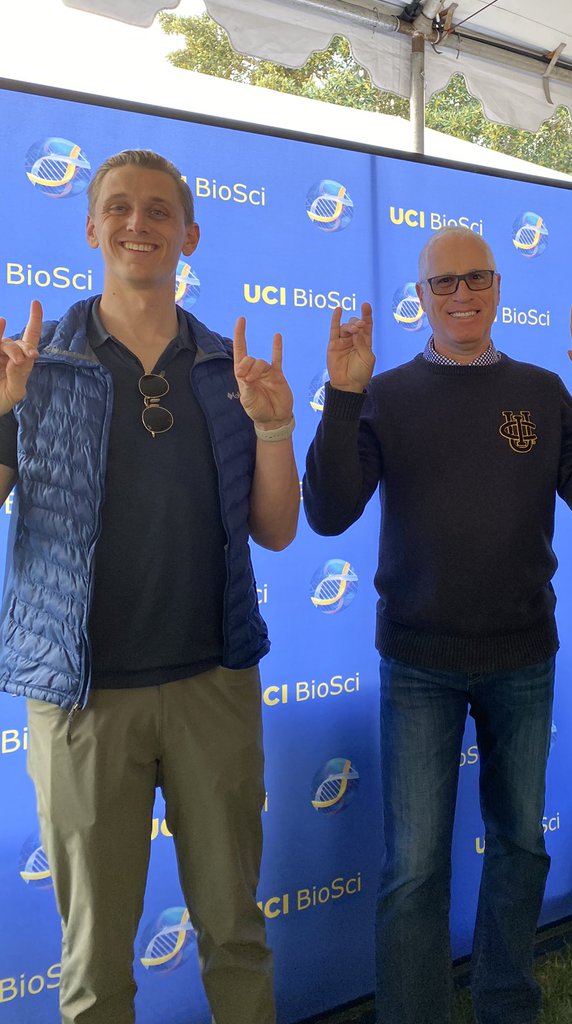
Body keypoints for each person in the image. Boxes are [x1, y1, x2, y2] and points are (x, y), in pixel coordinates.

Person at [0, 150, 300, 1024]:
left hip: (215, 686)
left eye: (160, 210)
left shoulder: (225, 367)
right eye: (120, 208)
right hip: (83, 703)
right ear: (90, 228)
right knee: (95, 961)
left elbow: (277, 531)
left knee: (236, 933)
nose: (140, 224)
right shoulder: (37, 364)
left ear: (190, 236)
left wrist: (275, 428)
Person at [302, 228, 572, 1024]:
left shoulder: (545, 389)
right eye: (443, 283)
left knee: (520, 845)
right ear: (421, 299)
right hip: (417, 660)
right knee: (414, 867)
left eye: (476, 278)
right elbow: (328, 511)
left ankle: (506, 1005)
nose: (462, 295)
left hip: (523, 655)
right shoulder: (385, 394)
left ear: (498, 286)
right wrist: (343, 395)